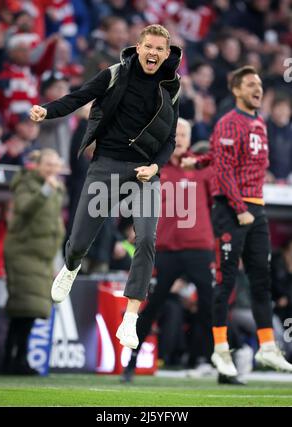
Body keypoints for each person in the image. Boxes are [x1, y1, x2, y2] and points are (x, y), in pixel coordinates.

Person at [30, 24, 182, 350]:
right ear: (138, 47)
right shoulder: (114, 73)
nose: (153, 53)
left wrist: (155, 166)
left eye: (160, 49)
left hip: (145, 172)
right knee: (78, 242)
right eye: (149, 47)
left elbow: (169, 139)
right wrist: (47, 111)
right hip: (107, 165)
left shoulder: (173, 87)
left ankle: (130, 317)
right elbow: (78, 97)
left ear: (166, 54)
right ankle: (71, 266)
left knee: (145, 240)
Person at [182, 65, 292, 376]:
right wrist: (238, 205)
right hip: (233, 209)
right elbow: (225, 170)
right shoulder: (229, 122)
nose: (258, 89)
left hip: (256, 207)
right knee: (225, 280)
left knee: (261, 279)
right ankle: (220, 350)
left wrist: (198, 159)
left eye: (259, 84)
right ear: (236, 90)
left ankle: (268, 348)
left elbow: (218, 157)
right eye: (250, 85)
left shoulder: (259, 122)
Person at [121, 118, 215, 381]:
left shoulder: (202, 165)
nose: (182, 138)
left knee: (209, 304)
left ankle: (204, 359)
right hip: (166, 249)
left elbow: (215, 203)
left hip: (198, 247)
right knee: (150, 307)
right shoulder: (155, 168)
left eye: (185, 133)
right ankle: (131, 362)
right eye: (177, 133)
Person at [0, 149, 65, 375]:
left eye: (55, 164)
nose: (51, 168)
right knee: (24, 309)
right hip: (23, 253)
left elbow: (53, 223)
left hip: (42, 258)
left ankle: (16, 359)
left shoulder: (57, 189)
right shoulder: (26, 184)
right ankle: (13, 360)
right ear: (37, 164)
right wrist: (46, 189)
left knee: (28, 311)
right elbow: (26, 210)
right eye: (47, 163)